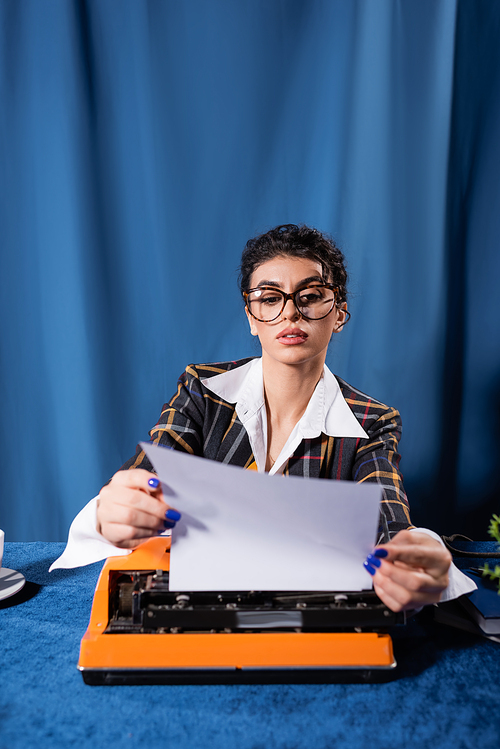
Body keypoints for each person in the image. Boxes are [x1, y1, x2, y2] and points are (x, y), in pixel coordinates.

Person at [51, 224, 475, 611]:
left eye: (309, 297)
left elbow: (390, 520)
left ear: (339, 314)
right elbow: (146, 478)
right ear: (251, 318)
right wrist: (112, 511)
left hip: (310, 614)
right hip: (197, 607)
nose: (290, 313)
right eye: (270, 299)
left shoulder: (372, 421)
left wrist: (419, 551)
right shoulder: (201, 389)